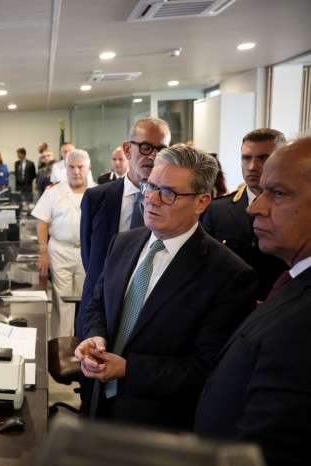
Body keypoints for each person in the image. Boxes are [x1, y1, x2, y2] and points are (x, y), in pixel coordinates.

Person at [76, 144, 257, 431]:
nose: (152, 200)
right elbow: (97, 304)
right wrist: (95, 336)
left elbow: (208, 369)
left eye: (169, 193)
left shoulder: (229, 275)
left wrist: (128, 369)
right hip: (98, 406)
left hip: (158, 426)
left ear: (201, 202)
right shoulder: (122, 243)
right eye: (150, 186)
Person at [194, 136, 311, 466]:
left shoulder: (303, 320)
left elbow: (273, 448)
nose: (254, 207)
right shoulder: (292, 282)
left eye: (278, 193)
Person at [77, 117, 171, 339]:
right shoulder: (96, 198)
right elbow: (89, 256)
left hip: (150, 317)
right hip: (98, 313)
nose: (154, 155)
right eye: (146, 146)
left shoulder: (173, 201)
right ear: (128, 149)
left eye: (162, 149)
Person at [201, 128, 288, 301]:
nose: (252, 166)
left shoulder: (294, 210)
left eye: (263, 158)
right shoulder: (218, 210)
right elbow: (204, 266)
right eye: (246, 158)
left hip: (277, 309)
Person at [31, 149, 91, 338]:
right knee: (62, 302)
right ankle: (61, 346)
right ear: (65, 168)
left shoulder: (98, 192)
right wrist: (43, 252)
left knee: (87, 302)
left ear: (88, 168)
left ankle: (83, 343)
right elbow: (42, 222)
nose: (76, 171)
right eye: (71, 167)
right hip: (60, 250)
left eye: (80, 167)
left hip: (87, 252)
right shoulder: (54, 191)